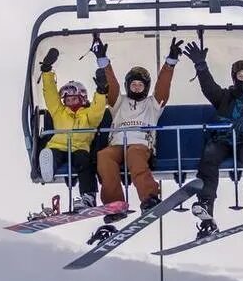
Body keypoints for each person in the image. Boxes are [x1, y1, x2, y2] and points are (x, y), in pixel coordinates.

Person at [181, 43, 243, 236]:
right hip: (224, 140)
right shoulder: (224, 96)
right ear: (234, 77)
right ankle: (206, 204)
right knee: (210, 153)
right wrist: (201, 66)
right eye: (240, 76)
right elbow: (209, 88)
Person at [90, 35, 182, 241]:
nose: (137, 88)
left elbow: (163, 87)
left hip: (140, 144)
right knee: (104, 157)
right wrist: (103, 61)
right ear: (128, 86)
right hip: (116, 145)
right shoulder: (118, 102)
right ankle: (115, 204)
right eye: (133, 85)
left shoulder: (152, 104)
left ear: (146, 87)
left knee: (135, 156)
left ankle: (149, 198)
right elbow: (111, 85)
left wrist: (170, 63)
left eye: (140, 85)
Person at [38, 46, 108, 208]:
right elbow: (50, 95)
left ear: (82, 98)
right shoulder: (59, 112)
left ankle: (88, 196)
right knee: (52, 154)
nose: (70, 102)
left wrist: (101, 90)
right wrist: (47, 72)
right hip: (58, 145)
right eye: (67, 100)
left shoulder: (89, 114)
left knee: (85, 163)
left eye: (73, 99)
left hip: (79, 147)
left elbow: (99, 108)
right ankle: (48, 167)